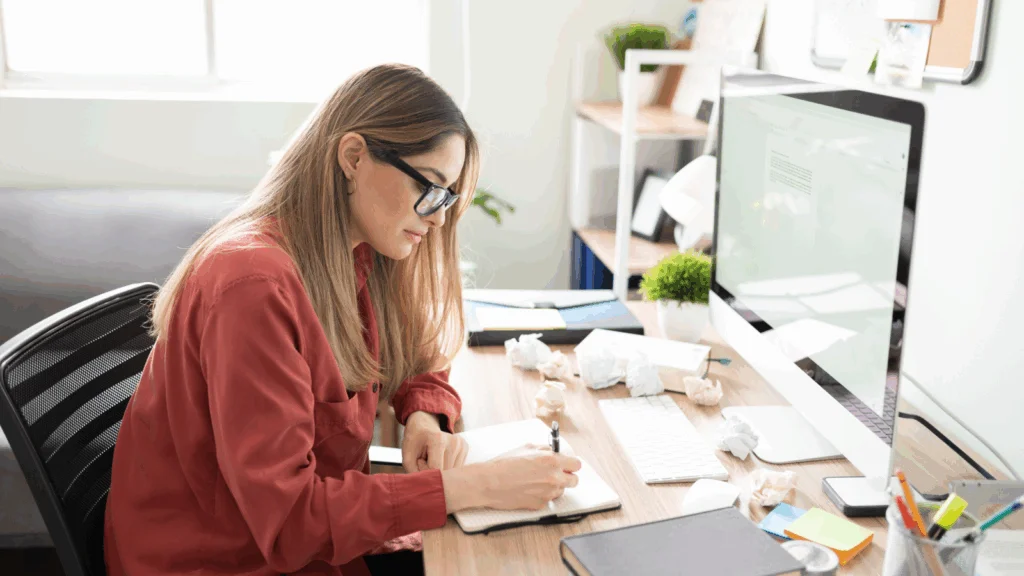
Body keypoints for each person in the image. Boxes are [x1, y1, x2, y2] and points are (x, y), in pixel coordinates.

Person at [104, 64, 582, 576]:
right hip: (225, 561)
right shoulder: (252, 285)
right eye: (432, 187)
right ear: (353, 157)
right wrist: (478, 485)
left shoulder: (359, 250)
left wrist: (422, 416)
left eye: (448, 197)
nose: (439, 216)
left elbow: (417, 355)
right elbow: (289, 522)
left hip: (310, 545)